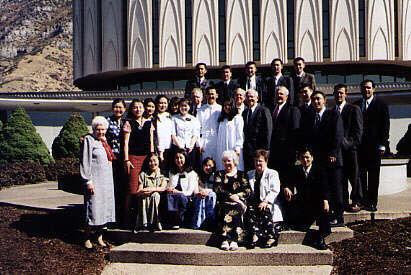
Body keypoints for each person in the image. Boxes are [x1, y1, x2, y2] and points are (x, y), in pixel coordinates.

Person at [299, 91, 344, 227]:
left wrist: (333, 154)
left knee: (335, 188)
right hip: (318, 160)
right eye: (313, 100)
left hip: (332, 159)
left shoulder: (333, 114)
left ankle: (338, 216)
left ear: (324, 100)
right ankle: (324, 216)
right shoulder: (310, 116)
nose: (316, 102)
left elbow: (338, 135)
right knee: (323, 189)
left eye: (318, 99)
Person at [283, 148, 331, 250]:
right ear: (299, 159)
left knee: (324, 208)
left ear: (312, 158)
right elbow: (286, 180)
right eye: (302, 157)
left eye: (307, 157)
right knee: (288, 200)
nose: (305, 160)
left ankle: (321, 238)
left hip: (316, 202)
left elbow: (325, 187)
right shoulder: (296, 170)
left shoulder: (319, 171)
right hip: (303, 203)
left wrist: (326, 200)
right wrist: (286, 187)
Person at [80, 116, 116, 249]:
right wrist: (88, 180)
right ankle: (87, 238)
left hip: (106, 181)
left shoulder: (104, 141)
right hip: (95, 180)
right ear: (93, 129)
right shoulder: (89, 140)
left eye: (103, 129)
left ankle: (99, 237)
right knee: (93, 209)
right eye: (98, 129)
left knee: (104, 209)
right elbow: (85, 161)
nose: (101, 132)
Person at [354, 80, 390, 212]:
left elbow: (385, 126)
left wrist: (383, 144)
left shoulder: (381, 105)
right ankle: (363, 201)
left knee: (374, 176)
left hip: (375, 146)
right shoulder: (356, 105)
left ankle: (372, 202)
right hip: (361, 147)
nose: (366, 90)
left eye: (369, 88)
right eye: (364, 88)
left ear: (373, 89)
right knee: (361, 175)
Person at [123, 99, 154, 227]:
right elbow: (125, 143)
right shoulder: (129, 123)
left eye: (140, 107)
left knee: (145, 188)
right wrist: (126, 160)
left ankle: (143, 219)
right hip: (133, 158)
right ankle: (126, 218)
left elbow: (152, 142)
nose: (138, 110)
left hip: (146, 158)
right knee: (132, 189)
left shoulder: (149, 123)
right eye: (135, 107)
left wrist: (152, 158)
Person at [333, 84, 363, 212]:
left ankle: (357, 200)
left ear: (346, 94)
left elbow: (358, 131)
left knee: (354, 176)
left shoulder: (353, 109)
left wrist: (348, 143)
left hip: (350, 149)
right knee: (341, 178)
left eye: (341, 93)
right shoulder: (332, 111)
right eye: (337, 93)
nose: (339, 95)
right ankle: (344, 202)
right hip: (337, 152)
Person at [214, 150, 251, 251]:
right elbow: (218, 189)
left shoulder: (242, 175)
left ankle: (234, 240)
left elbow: (247, 191)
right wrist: (231, 196)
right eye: (224, 161)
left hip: (239, 202)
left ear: (234, 161)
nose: (227, 163)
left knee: (237, 207)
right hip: (223, 201)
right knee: (227, 206)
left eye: (229, 161)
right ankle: (225, 239)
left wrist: (237, 197)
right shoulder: (219, 174)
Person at [245, 150, 282, 249]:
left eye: (260, 161)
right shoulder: (250, 174)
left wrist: (265, 201)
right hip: (254, 202)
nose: (258, 163)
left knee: (264, 209)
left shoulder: (272, 173)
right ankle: (254, 236)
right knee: (250, 210)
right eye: (256, 161)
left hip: (268, 201)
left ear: (266, 161)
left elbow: (275, 190)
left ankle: (272, 237)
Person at [269, 86, 301, 178]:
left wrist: (293, 152)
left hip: (287, 154)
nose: (279, 96)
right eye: (277, 94)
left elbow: (295, 133)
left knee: (286, 183)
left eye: (281, 94)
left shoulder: (293, 110)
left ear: (287, 96)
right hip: (273, 154)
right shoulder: (271, 109)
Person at [105, 99, 126, 224]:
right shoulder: (107, 121)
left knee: (122, 188)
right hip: (111, 158)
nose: (118, 110)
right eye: (116, 107)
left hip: (124, 158)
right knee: (112, 187)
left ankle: (122, 216)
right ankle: (111, 217)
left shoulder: (127, 121)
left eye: (121, 107)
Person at [166, 149, 199, 229]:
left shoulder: (191, 173)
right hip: (173, 196)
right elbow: (169, 186)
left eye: (181, 158)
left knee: (179, 196)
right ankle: (171, 221)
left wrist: (178, 192)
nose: (179, 160)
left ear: (185, 158)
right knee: (168, 196)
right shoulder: (172, 172)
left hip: (185, 197)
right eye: (177, 158)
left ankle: (178, 220)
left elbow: (189, 192)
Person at [135, 153, 167, 232]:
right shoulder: (143, 174)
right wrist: (144, 191)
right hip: (146, 196)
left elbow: (163, 188)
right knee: (143, 198)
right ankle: (144, 223)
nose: (152, 163)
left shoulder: (163, 174)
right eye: (150, 161)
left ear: (158, 161)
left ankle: (154, 223)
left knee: (155, 195)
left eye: (154, 161)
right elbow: (139, 190)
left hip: (159, 198)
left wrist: (152, 189)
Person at [242, 89, 273, 171]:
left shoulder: (264, 110)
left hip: (259, 150)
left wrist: (265, 151)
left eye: (252, 97)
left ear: (257, 98)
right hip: (247, 151)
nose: (249, 99)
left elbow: (268, 131)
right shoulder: (245, 112)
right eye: (248, 97)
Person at [171, 98, 201, 170]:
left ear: (189, 107)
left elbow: (195, 134)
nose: (183, 108)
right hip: (178, 147)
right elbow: (173, 134)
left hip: (190, 148)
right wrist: (179, 146)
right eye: (182, 106)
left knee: (190, 168)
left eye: (185, 106)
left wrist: (191, 146)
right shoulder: (174, 118)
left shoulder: (193, 119)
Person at [216, 98, 244, 171]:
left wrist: (237, 148)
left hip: (233, 147)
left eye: (229, 105)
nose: (227, 107)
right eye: (225, 105)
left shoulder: (237, 118)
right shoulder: (222, 119)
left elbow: (240, 135)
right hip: (222, 147)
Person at [191, 157, 217, 230]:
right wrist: (198, 193)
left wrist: (207, 190)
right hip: (199, 195)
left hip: (210, 195)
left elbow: (216, 189)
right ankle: (198, 223)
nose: (208, 167)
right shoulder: (197, 176)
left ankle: (209, 223)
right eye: (206, 165)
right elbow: (195, 189)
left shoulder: (215, 176)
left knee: (212, 195)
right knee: (200, 197)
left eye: (210, 166)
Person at [197, 87, 222, 161]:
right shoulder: (201, 110)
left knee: (218, 162)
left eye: (212, 94)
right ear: (206, 96)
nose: (211, 96)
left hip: (217, 139)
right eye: (209, 94)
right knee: (205, 162)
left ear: (216, 95)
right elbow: (197, 128)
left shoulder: (220, 109)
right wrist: (199, 143)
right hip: (205, 140)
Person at [153, 95, 173, 172]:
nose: (163, 105)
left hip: (170, 149)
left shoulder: (170, 116)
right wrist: (161, 152)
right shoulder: (155, 118)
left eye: (165, 103)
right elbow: (159, 135)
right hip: (159, 150)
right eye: (160, 103)